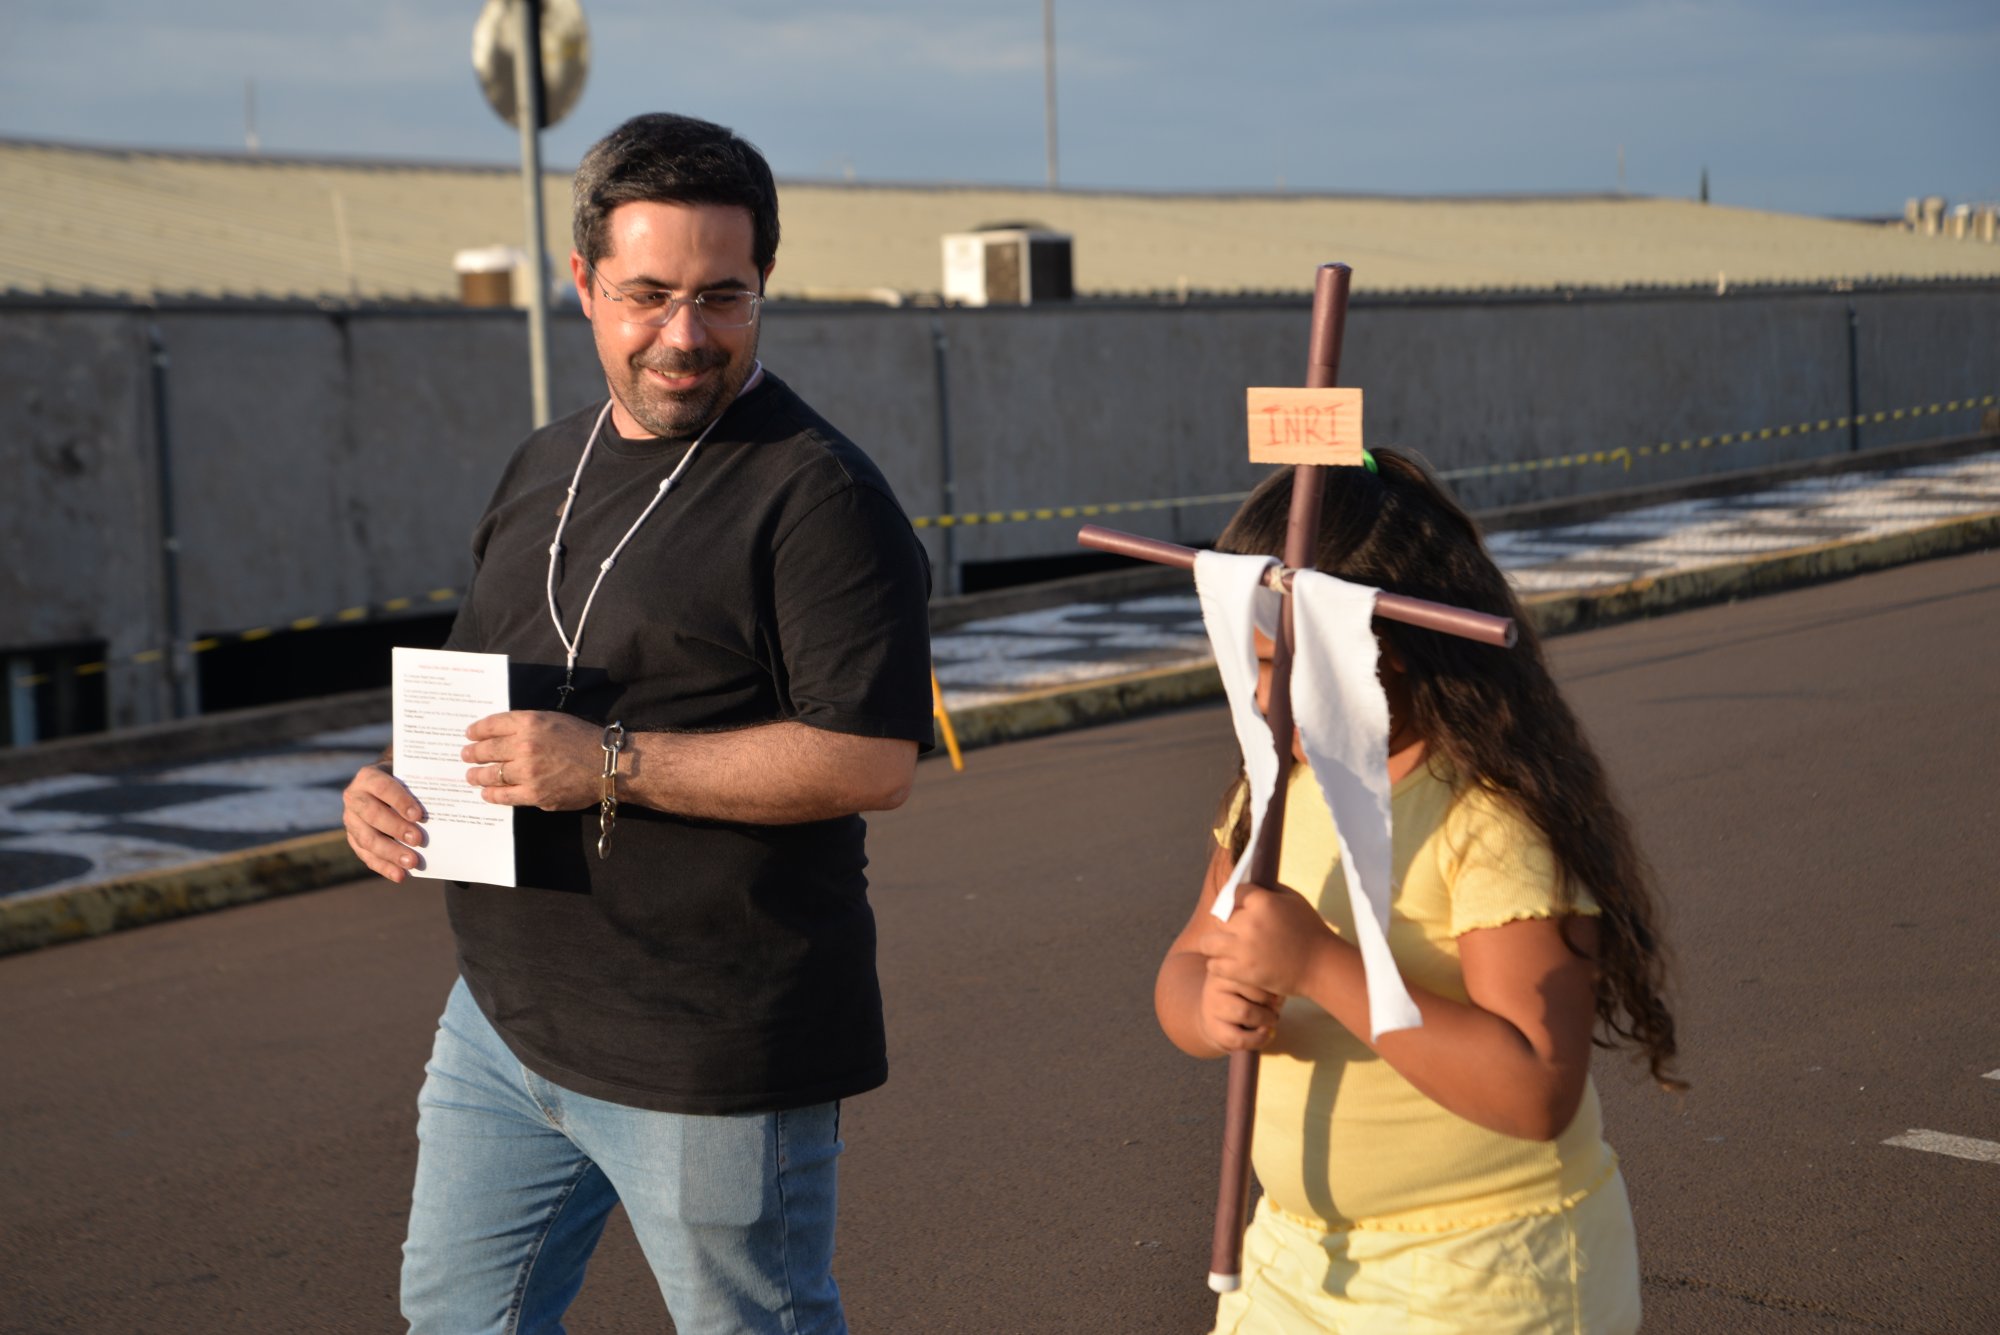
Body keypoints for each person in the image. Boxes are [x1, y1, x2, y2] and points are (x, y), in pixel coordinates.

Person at [339, 113, 933, 1334]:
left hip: (709, 1049)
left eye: (723, 297)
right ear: (584, 284)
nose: (684, 336)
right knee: (457, 1317)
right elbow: (478, 676)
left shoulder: (819, 497)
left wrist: (608, 764)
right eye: (648, 295)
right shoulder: (542, 464)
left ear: (763, 283)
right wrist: (388, 781)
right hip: (502, 1024)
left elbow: (871, 759)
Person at [1155, 450, 1679, 1334]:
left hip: (1485, 1271)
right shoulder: (1270, 795)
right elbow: (1186, 964)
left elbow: (1535, 1089)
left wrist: (1318, 966)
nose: (1264, 700)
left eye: (1286, 664)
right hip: (1292, 1259)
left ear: (1388, 646)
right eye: (1249, 664)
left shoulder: (1489, 818)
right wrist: (1208, 1010)